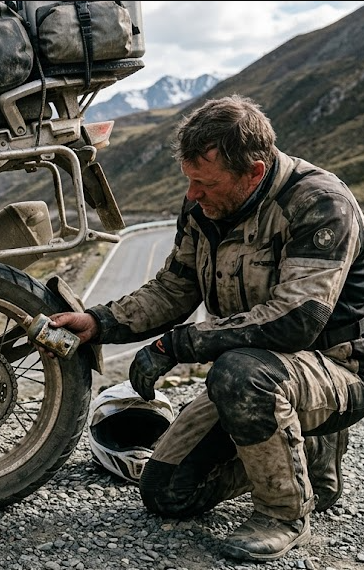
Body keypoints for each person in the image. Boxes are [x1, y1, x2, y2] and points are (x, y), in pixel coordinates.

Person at [47, 94, 364, 562]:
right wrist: (100, 321)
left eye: (205, 183)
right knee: (167, 493)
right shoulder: (205, 205)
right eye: (189, 181)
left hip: (335, 372)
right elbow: (175, 287)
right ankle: (306, 458)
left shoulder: (320, 204)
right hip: (255, 374)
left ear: (254, 172)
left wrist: (178, 345)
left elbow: (298, 319)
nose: (193, 194)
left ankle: (282, 514)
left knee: (239, 372)